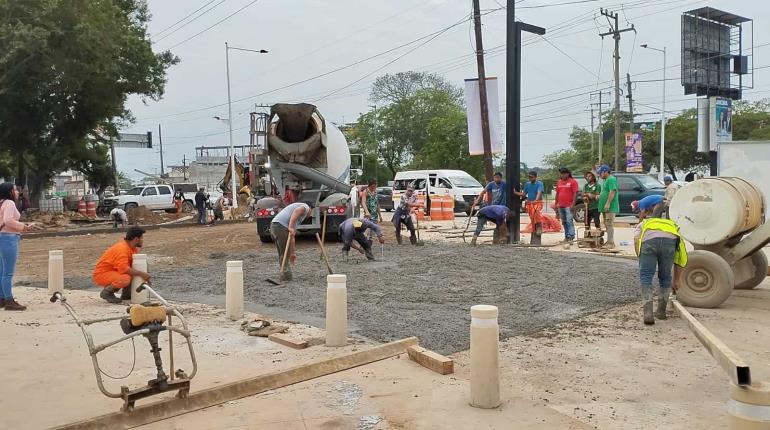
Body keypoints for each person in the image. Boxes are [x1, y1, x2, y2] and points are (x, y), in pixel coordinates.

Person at [634, 195, 688, 325]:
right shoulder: (673, 226)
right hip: (669, 243)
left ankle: (648, 314)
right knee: (665, 277)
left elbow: (636, 239)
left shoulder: (645, 223)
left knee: (646, 276)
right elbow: (681, 256)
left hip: (649, 243)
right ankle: (661, 312)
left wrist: (640, 256)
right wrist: (677, 280)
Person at [92, 226, 150, 304]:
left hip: (112, 272)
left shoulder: (132, 248)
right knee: (125, 278)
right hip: (102, 274)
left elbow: (132, 268)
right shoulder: (122, 249)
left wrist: (144, 274)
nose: (142, 240)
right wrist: (142, 274)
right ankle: (107, 292)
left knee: (133, 273)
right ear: (136, 239)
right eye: (142, 238)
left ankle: (126, 295)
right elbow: (124, 269)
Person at [0, 182, 31, 310]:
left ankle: (2, 298)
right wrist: (23, 227)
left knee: (2, 270)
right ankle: (9, 301)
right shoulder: (9, 203)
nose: (18, 192)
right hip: (9, 238)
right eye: (15, 190)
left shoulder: (1, 202)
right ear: (10, 191)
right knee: (8, 272)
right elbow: (8, 220)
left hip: (2, 236)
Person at [270, 202, 310, 281]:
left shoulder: (295, 215)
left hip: (275, 225)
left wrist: (292, 252)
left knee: (283, 253)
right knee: (284, 253)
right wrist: (291, 227)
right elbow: (297, 211)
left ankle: (285, 276)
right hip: (280, 226)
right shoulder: (306, 207)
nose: (309, 216)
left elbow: (292, 236)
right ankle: (286, 277)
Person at [552, 167, 579, 243]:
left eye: (564, 173)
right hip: (561, 205)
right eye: (561, 173)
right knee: (564, 222)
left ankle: (571, 236)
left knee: (569, 221)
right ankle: (566, 236)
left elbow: (575, 193)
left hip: (569, 205)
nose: (562, 175)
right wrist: (556, 203)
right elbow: (557, 193)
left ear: (567, 174)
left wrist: (573, 204)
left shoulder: (573, 182)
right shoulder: (559, 182)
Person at [597, 165, 619, 249]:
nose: (600, 175)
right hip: (604, 206)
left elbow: (612, 191)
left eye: (600, 173)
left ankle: (610, 243)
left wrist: (608, 203)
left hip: (610, 206)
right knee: (606, 223)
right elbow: (605, 192)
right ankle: (609, 241)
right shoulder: (606, 180)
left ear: (605, 172)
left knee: (609, 223)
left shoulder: (611, 179)